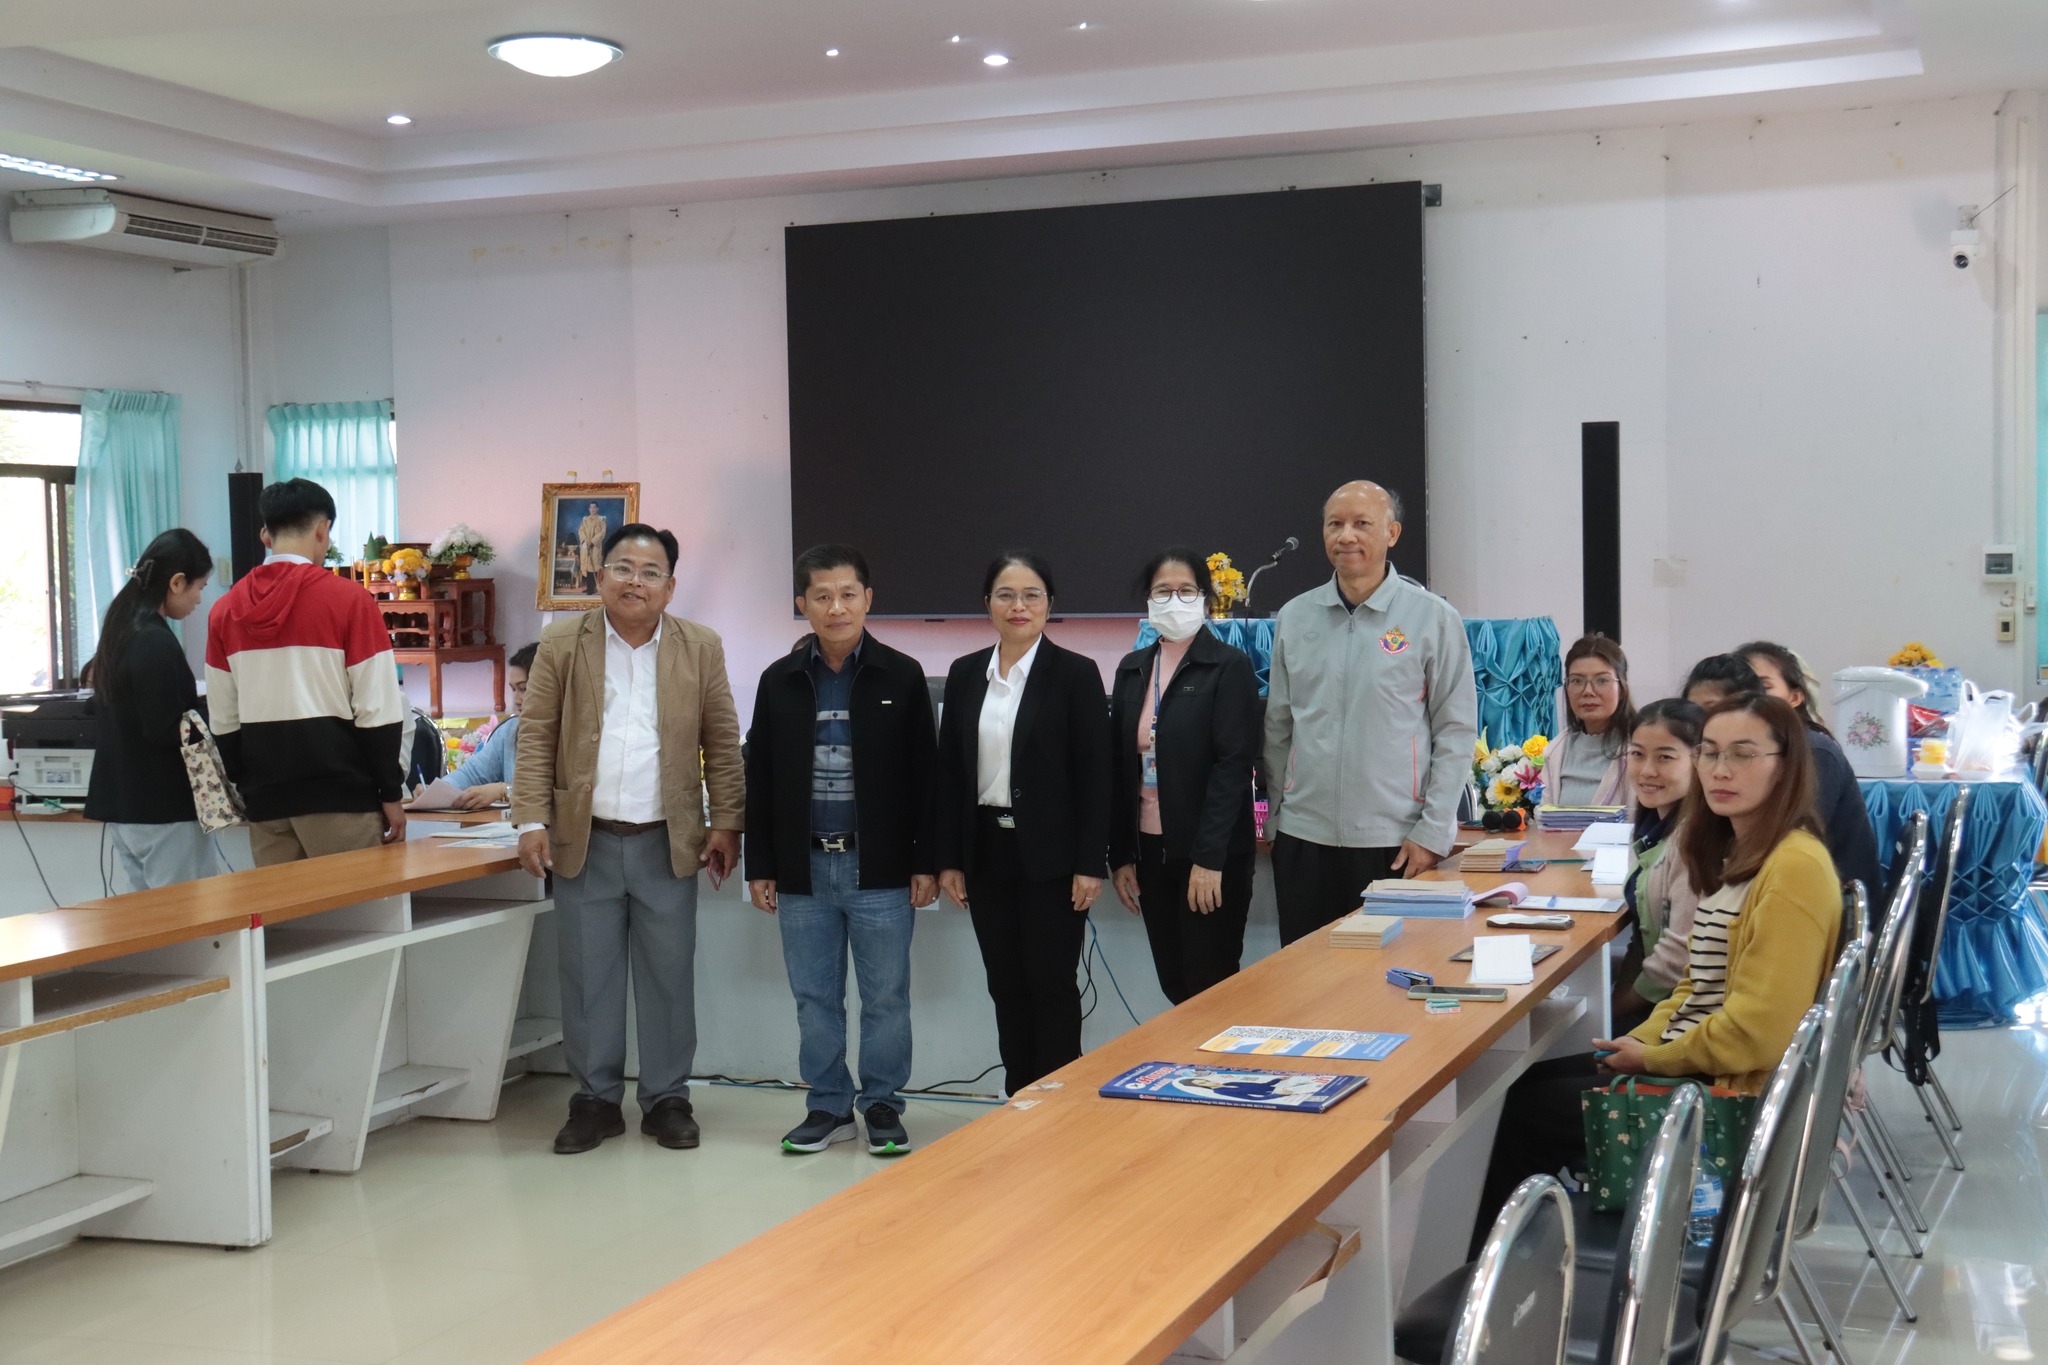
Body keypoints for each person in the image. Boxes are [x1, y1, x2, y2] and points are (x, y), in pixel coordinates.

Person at [1469, 693, 1842, 1251]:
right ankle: (1521, 1259)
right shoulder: (1743, 851)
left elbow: (1759, 1032)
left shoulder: (1794, 867)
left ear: (1786, 767)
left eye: (1743, 754)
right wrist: (1642, 1039)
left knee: (1521, 1111)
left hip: (1729, 1100)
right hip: (1698, 1065)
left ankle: (1503, 1274)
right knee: (1524, 1083)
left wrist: (1652, 1058)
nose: (1720, 770)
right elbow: (1695, 981)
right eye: (1710, 752)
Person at [513, 523, 745, 1155]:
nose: (634, 582)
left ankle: (668, 1099)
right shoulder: (562, 641)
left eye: (649, 572)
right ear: (600, 576)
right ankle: (594, 1101)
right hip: (583, 839)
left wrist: (727, 822)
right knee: (588, 978)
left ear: (670, 586)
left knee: (669, 977)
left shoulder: (700, 646)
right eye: (622, 568)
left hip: (667, 841)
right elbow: (535, 734)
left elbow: (723, 741)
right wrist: (530, 820)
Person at [745, 545, 938, 1157]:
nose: (836, 607)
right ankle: (828, 1105)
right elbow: (761, 777)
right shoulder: (779, 680)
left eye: (848, 594)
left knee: (886, 998)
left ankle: (882, 1104)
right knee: (815, 998)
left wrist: (925, 861)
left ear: (868, 599)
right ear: (802, 604)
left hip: (879, 867)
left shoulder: (901, 675)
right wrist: (761, 865)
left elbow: (926, 777)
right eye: (822, 596)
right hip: (803, 868)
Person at [1263, 481, 1478, 945]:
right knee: (1305, 979)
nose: (1346, 536)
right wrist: (1277, 817)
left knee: (1390, 979)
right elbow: (1278, 725)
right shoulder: (1295, 617)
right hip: (1304, 840)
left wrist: (1432, 831)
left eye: (1362, 523)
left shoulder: (1433, 618)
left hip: (1396, 842)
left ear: (1392, 533)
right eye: (1335, 524)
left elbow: (1456, 730)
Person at [935, 552, 1110, 1094]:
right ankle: (1019, 1100)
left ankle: (1058, 1105)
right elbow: (949, 773)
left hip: (1053, 859)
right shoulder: (965, 674)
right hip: (986, 852)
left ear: (1049, 604)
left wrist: (1090, 863)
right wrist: (949, 859)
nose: (1019, 606)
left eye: (1031, 595)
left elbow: (1096, 776)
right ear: (987, 603)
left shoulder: (1076, 673)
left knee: (1052, 984)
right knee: (1005, 984)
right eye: (1006, 594)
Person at [205, 479, 408, 865]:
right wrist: (390, 792)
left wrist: (248, 784)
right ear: (322, 529)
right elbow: (377, 709)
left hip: (266, 802)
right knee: (352, 904)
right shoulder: (350, 601)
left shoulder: (224, 611)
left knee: (282, 906)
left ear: (266, 536)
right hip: (341, 798)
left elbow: (223, 718)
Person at [1108, 548, 1260, 1005]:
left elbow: (1233, 766)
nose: (1174, 600)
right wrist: (1121, 855)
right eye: (1163, 591)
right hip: (1149, 852)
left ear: (1205, 598)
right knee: (1174, 983)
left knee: (1210, 986)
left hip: (1208, 855)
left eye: (1186, 590)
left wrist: (1209, 860)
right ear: (1147, 600)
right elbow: (1118, 766)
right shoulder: (1132, 668)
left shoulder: (1228, 665)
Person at [83, 529, 217, 891]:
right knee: (189, 916)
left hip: (127, 809)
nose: (199, 599)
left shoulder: (121, 631)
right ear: (176, 582)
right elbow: (166, 727)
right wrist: (220, 717)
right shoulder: (154, 641)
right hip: (164, 809)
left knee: (149, 918)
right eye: (200, 587)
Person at [1736, 639, 1884, 901]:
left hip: (1834, 902)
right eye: (1739, 688)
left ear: (1795, 697)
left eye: (1764, 687)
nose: (1750, 698)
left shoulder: (1814, 751)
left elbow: (1793, 844)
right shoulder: (1748, 750)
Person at [1611, 698, 1705, 1035]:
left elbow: (1678, 957)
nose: (1647, 770)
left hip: (1681, 1020)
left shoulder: (1695, 840)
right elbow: (1643, 939)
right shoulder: (1654, 827)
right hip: (1660, 1005)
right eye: (1637, 754)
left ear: (1700, 760)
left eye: (1665, 757)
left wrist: (1613, 1011)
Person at [441, 642, 538, 809]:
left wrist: (503, 791)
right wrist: (437, 791)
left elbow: (559, 795)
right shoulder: (510, 730)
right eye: (513, 690)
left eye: (523, 689)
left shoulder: (572, 733)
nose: (517, 700)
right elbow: (472, 774)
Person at [1541, 634, 1633, 807]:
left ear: (1622, 688)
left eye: (1602, 680)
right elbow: (1544, 817)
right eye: (1577, 680)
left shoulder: (1638, 749)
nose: (1588, 691)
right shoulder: (1556, 750)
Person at [578, 503, 608, 594]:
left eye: (594, 507)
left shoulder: (601, 519)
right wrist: (585, 540)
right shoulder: (585, 519)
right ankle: (589, 587)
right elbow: (581, 531)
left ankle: (592, 588)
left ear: (597, 509)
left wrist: (592, 541)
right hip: (586, 545)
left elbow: (602, 533)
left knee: (594, 566)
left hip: (595, 546)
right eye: (591, 507)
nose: (592, 509)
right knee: (586, 566)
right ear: (589, 509)